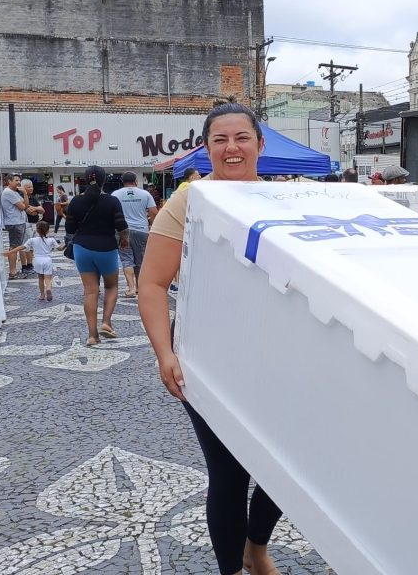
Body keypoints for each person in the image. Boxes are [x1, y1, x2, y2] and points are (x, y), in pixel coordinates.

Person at [139, 101, 283, 575]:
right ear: (206, 150)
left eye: (242, 137)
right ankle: (234, 570)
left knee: (285, 467)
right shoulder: (189, 200)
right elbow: (153, 283)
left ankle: (255, 546)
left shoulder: (284, 201)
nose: (232, 148)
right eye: (219, 140)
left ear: (260, 145)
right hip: (205, 352)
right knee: (229, 472)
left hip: (272, 351)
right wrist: (165, 353)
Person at [67, 165, 130, 346]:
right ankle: (106, 323)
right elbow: (122, 226)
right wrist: (125, 239)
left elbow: (70, 229)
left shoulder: (76, 202)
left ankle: (92, 336)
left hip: (82, 249)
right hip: (107, 248)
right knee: (111, 287)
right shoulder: (112, 201)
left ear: (85, 180)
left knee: (90, 291)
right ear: (104, 180)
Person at [111, 172, 158, 298]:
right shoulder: (145, 194)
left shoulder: (115, 194)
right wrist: (152, 226)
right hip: (142, 231)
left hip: (122, 231)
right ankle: (139, 287)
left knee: (126, 259)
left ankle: (131, 288)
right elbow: (153, 211)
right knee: (140, 260)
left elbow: (110, 213)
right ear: (136, 181)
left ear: (122, 181)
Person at [6, 221, 60, 301]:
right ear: (48, 230)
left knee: (40, 278)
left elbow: (22, 247)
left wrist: (9, 252)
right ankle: (48, 289)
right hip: (47, 260)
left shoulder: (32, 240)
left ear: (37, 230)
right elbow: (60, 248)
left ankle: (42, 295)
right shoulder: (51, 240)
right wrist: (67, 244)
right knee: (48, 278)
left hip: (37, 260)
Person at [0, 174, 30, 279]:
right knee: (14, 247)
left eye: (19, 180)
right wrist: (25, 194)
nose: (19, 182)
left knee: (16, 246)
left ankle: (13, 271)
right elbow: (22, 207)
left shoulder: (14, 192)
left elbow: (25, 204)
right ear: (9, 181)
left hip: (18, 222)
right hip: (14, 223)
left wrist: (25, 194)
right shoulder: (8, 192)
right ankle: (12, 272)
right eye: (16, 180)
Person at [21, 179, 46, 277]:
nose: (31, 188)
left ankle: (30, 264)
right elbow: (29, 211)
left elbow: (42, 210)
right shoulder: (21, 197)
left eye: (32, 186)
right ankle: (24, 266)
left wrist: (35, 208)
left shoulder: (33, 198)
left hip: (34, 224)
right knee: (24, 246)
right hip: (26, 224)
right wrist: (36, 210)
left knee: (31, 246)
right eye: (29, 187)